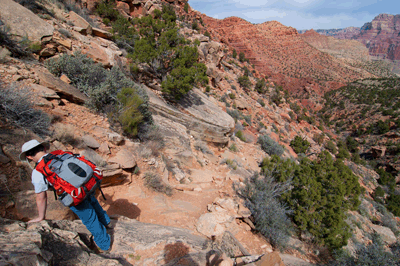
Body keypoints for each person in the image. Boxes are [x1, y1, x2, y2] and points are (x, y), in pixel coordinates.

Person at [20, 139, 111, 252]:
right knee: (93, 201)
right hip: (88, 183)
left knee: (90, 219)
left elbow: (41, 197)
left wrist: (40, 217)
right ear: (43, 148)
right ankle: (106, 222)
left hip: (74, 195)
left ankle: (104, 245)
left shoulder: (38, 171)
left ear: (29, 157)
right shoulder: (60, 153)